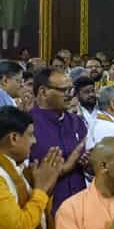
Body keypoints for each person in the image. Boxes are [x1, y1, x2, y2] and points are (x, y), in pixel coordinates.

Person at [28, 66, 86, 211]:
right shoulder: (26, 124)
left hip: (79, 203)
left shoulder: (76, 121)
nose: (70, 95)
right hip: (45, 207)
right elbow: (27, 173)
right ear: (43, 92)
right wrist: (66, 167)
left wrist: (89, 162)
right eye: (64, 90)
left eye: (71, 90)